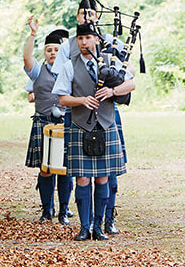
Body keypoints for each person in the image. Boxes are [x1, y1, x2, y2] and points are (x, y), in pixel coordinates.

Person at [52, 23, 136, 241]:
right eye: (80, 38)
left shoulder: (111, 62)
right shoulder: (70, 65)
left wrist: (112, 90)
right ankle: (84, 227)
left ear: (96, 40)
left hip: (106, 124)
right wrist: (81, 100)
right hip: (81, 125)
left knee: (102, 178)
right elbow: (61, 98)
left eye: (88, 38)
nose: (84, 42)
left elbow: (131, 83)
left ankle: (98, 227)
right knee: (82, 179)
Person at [22, 17, 72, 225]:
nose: (53, 53)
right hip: (43, 123)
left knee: (65, 168)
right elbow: (26, 58)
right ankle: (46, 210)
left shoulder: (69, 70)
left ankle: (64, 210)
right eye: (49, 49)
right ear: (45, 52)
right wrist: (33, 34)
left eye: (57, 49)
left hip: (66, 122)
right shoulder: (37, 71)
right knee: (45, 168)